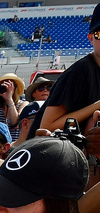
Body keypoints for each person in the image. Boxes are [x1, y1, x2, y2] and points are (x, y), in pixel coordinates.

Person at [30, 5, 100, 135]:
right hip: (49, 151)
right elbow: (46, 126)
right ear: (90, 38)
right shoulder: (81, 71)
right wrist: (97, 106)